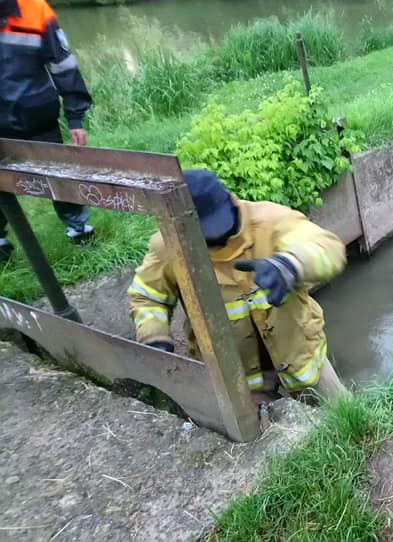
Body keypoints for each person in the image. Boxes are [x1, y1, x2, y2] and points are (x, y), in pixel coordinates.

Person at [127, 169, 351, 405]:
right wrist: (155, 338)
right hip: (238, 377)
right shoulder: (169, 246)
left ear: (228, 199)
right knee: (265, 437)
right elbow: (148, 296)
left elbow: (328, 248)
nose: (221, 238)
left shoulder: (269, 221)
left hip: (300, 356)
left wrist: (289, 265)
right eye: (209, 235)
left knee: (344, 413)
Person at [0, 0, 95, 263]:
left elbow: (63, 65)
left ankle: (80, 230)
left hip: (37, 117)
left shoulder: (36, 9)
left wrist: (75, 117)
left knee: (58, 176)